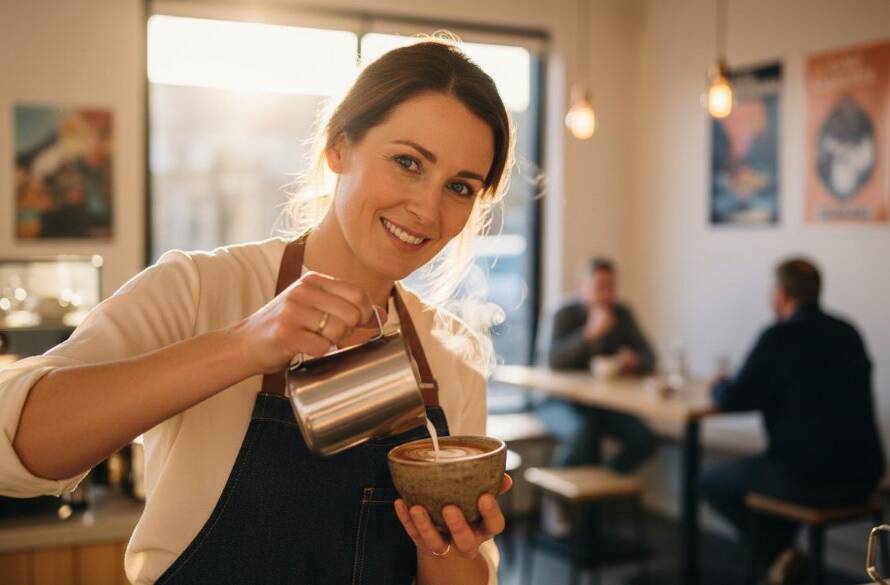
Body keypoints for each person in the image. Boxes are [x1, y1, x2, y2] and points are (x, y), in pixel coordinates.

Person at [0, 40, 514, 585]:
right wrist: (244, 344)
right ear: (339, 148)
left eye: (460, 187)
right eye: (407, 162)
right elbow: (16, 453)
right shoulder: (200, 289)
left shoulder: (449, 353)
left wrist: (449, 548)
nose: (427, 209)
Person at [701, 258, 885, 585]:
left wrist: (716, 385)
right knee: (768, 476)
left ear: (782, 293)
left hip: (807, 475)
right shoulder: (848, 331)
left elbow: (735, 398)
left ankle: (778, 554)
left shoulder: (779, 336)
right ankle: (783, 561)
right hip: (865, 473)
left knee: (709, 481)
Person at [536, 257, 657, 473]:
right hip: (556, 401)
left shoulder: (620, 314)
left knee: (644, 439)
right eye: (599, 286)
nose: (605, 293)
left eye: (610, 286)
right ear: (582, 287)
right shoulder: (564, 313)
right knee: (584, 434)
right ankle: (556, 496)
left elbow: (649, 356)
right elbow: (553, 361)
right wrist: (589, 335)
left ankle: (603, 482)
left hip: (601, 404)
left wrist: (633, 360)